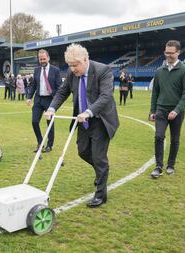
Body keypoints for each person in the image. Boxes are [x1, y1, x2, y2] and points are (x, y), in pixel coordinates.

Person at [44, 44, 119, 208]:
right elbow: (63, 92)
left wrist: (88, 111)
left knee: (99, 157)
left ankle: (101, 195)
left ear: (85, 59)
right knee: (83, 151)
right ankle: (101, 172)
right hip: (83, 120)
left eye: (75, 65)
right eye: (69, 65)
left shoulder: (103, 70)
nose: (72, 69)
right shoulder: (72, 74)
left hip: (100, 119)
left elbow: (105, 96)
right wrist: (51, 108)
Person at [149, 40, 185, 178]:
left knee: (175, 139)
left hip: (176, 111)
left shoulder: (184, 70)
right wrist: (152, 111)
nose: (168, 55)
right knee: (158, 136)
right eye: (166, 52)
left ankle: (171, 165)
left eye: (171, 53)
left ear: (178, 52)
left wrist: (177, 110)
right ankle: (158, 166)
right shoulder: (159, 71)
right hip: (161, 109)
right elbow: (155, 92)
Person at [27, 49, 61, 153]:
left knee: (49, 123)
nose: (42, 61)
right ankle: (40, 142)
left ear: (48, 58)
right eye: (40, 59)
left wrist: (56, 100)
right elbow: (33, 85)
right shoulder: (37, 70)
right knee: (34, 121)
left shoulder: (55, 70)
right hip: (38, 99)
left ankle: (49, 145)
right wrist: (29, 97)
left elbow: (59, 86)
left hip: (50, 100)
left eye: (44, 58)